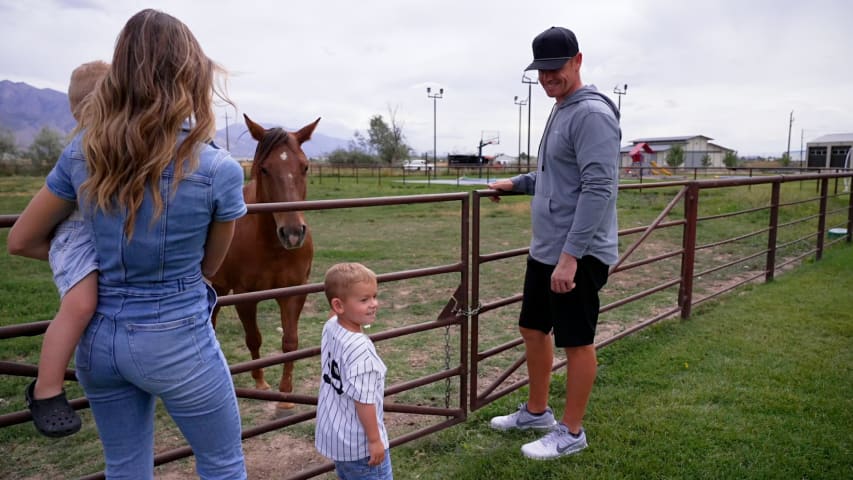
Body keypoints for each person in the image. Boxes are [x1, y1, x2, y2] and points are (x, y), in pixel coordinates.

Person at [8, 9, 248, 478]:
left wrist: (89, 269)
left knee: (125, 466)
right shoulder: (219, 170)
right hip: (177, 339)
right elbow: (210, 264)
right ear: (190, 75)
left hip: (97, 342)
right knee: (222, 463)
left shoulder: (84, 152)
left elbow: (22, 240)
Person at [488, 26, 621, 460]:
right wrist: (519, 183)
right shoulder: (562, 108)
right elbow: (557, 176)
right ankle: (537, 412)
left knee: (576, 341)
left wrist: (571, 258)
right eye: (541, 71)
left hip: (575, 254)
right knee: (532, 328)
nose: (548, 78)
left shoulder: (592, 115)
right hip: (547, 250)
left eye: (556, 68)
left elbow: (598, 189)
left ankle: (571, 431)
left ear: (577, 61)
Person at [16, 59, 111, 439]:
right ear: (81, 111)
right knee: (80, 303)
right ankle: (46, 389)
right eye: (111, 101)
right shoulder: (83, 147)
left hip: (97, 235)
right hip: (75, 236)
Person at [315, 263, 393, 480]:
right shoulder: (361, 349)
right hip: (361, 446)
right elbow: (364, 401)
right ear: (339, 305)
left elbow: (333, 313)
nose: (374, 304)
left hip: (339, 439)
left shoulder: (331, 327)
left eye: (374, 296)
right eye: (364, 300)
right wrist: (375, 440)